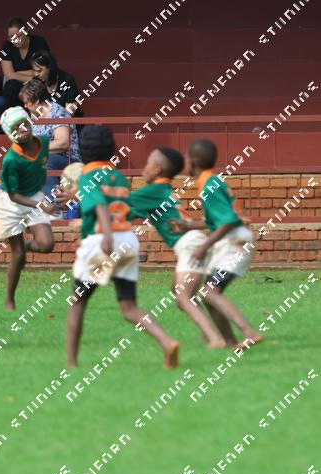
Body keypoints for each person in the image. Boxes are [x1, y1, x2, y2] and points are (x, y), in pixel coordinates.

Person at [67, 124, 179, 368]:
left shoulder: (86, 176)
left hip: (103, 240)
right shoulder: (118, 176)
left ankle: (71, 363)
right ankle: (167, 342)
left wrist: (105, 234)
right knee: (129, 308)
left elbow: (99, 205)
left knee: (78, 302)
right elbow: (122, 209)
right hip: (127, 239)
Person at [170, 139, 264, 349]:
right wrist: (188, 225)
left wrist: (204, 247)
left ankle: (249, 332)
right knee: (208, 295)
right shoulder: (209, 181)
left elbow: (228, 221)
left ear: (193, 161)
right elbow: (217, 219)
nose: (184, 161)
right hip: (232, 240)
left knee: (209, 292)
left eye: (186, 157)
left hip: (235, 242)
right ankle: (231, 342)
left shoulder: (209, 185)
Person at [129, 147, 226, 348]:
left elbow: (118, 205)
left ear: (157, 169)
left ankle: (216, 338)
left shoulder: (152, 191)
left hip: (190, 244)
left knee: (183, 297)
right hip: (192, 242)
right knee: (179, 291)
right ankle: (212, 335)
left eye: (148, 163)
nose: (144, 168)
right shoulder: (163, 190)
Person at [0, 107, 63, 311]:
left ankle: (24, 246)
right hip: (11, 203)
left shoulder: (43, 142)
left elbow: (41, 169)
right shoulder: (11, 160)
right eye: (16, 128)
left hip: (33, 195)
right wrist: (41, 204)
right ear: (10, 134)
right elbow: (13, 195)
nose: (22, 129)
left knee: (47, 245)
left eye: (24, 123)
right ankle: (9, 300)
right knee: (18, 258)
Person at [19, 78, 80, 206]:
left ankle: (54, 207)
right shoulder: (33, 116)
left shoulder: (57, 112)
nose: (25, 106)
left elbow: (63, 143)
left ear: (36, 101)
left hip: (68, 159)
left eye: (27, 102)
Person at [0, 17, 50, 107]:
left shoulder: (39, 42)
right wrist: (33, 76)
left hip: (38, 83)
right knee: (11, 86)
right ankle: (16, 114)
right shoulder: (7, 46)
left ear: (26, 31)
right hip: (17, 83)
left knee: (41, 87)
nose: (15, 40)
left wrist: (16, 73)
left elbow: (42, 71)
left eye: (19, 35)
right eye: (11, 37)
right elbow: (8, 74)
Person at [31, 50, 83, 117]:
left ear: (50, 68)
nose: (36, 74)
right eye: (34, 70)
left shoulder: (67, 81)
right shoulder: (36, 81)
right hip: (43, 121)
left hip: (67, 122)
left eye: (39, 71)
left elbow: (69, 114)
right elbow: (34, 110)